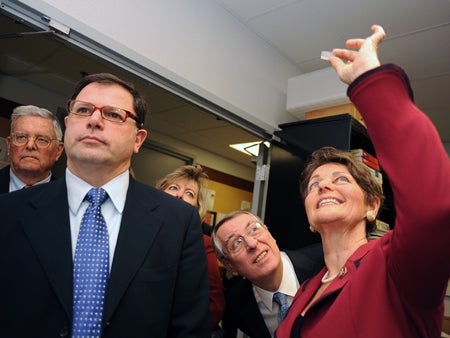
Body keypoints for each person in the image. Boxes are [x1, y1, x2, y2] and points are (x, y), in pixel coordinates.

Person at [0, 73, 210, 337]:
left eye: (113, 114)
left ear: (138, 139)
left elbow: (190, 329)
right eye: (83, 110)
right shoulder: (8, 212)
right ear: (67, 124)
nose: (94, 120)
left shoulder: (177, 222)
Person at [275, 25, 450, 338]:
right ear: (310, 219)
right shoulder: (306, 290)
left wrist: (370, 79)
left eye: (340, 179)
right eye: (314, 185)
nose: (323, 187)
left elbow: (433, 206)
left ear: (373, 206)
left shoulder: (395, 267)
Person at [211, 210, 324, 338]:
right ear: (230, 266)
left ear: (270, 234)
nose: (252, 243)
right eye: (236, 243)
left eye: (253, 229)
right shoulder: (234, 306)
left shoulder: (324, 261)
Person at [155, 164, 226, 334]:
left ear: (196, 208)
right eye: (173, 188)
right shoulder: (138, 232)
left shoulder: (202, 244)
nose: (179, 195)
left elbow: (214, 307)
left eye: (189, 194)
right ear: (158, 194)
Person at [0, 105, 64, 193]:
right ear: (9, 145)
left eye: (42, 140)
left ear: (58, 151)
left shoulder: (70, 200)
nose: (30, 145)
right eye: (22, 137)